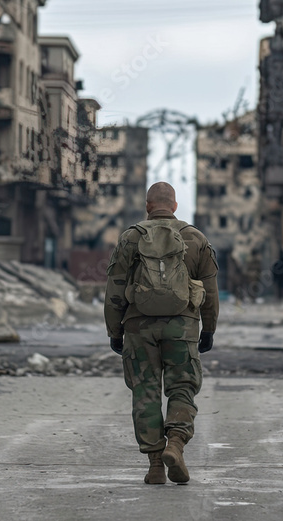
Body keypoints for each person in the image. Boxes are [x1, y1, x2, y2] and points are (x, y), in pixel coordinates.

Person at [105, 182, 219, 485]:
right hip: (182, 327)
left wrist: (114, 331)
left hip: (139, 328)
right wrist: (209, 329)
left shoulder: (130, 238)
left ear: (147, 206)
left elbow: (115, 289)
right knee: (182, 387)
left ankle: (156, 465)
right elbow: (209, 292)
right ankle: (176, 444)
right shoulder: (195, 238)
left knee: (145, 392)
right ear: (175, 207)